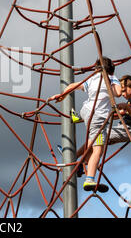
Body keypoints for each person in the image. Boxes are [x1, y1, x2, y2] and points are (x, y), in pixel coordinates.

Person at [49, 56, 121, 192]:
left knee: (90, 143)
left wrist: (61, 95)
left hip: (86, 111)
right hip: (98, 117)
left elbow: (72, 86)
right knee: (97, 150)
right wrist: (114, 81)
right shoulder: (111, 78)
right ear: (111, 69)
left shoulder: (92, 78)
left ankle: (78, 160)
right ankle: (89, 180)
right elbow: (118, 93)